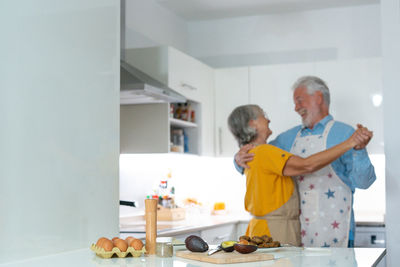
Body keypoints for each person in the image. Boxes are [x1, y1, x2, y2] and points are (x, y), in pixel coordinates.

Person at [234, 76, 376, 247]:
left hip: (336, 229)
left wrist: (359, 150)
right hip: (297, 232)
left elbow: (364, 182)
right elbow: (258, 160)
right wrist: (237, 159)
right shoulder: (286, 139)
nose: (296, 108)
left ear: (318, 97)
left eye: (299, 100)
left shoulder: (347, 134)